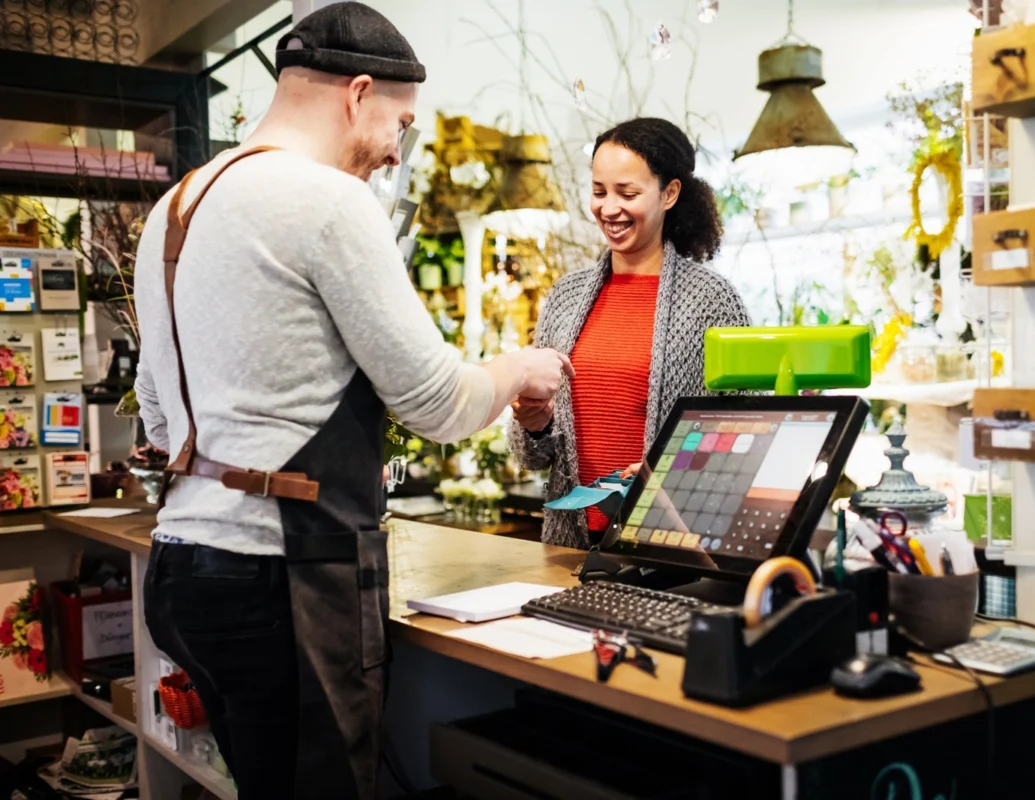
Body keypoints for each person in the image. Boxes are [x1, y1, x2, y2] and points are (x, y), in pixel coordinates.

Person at [133, 4, 571, 799]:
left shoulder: (177, 206)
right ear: (358, 93)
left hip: (181, 570)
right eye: (400, 123)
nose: (397, 150)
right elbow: (439, 405)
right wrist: (519, 368)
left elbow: (160, 421)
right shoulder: (329, 202)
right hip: (283, 580)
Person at [510, 117, 751, 550]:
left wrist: (672, 472)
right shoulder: (565, 297)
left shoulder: (711, 301)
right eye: (599, 191)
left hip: (672, 547)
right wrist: (534, 425)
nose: (608, 208)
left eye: (627, 193)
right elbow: (532, 457)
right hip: (570, 545)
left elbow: (747, 434)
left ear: (669, 193)